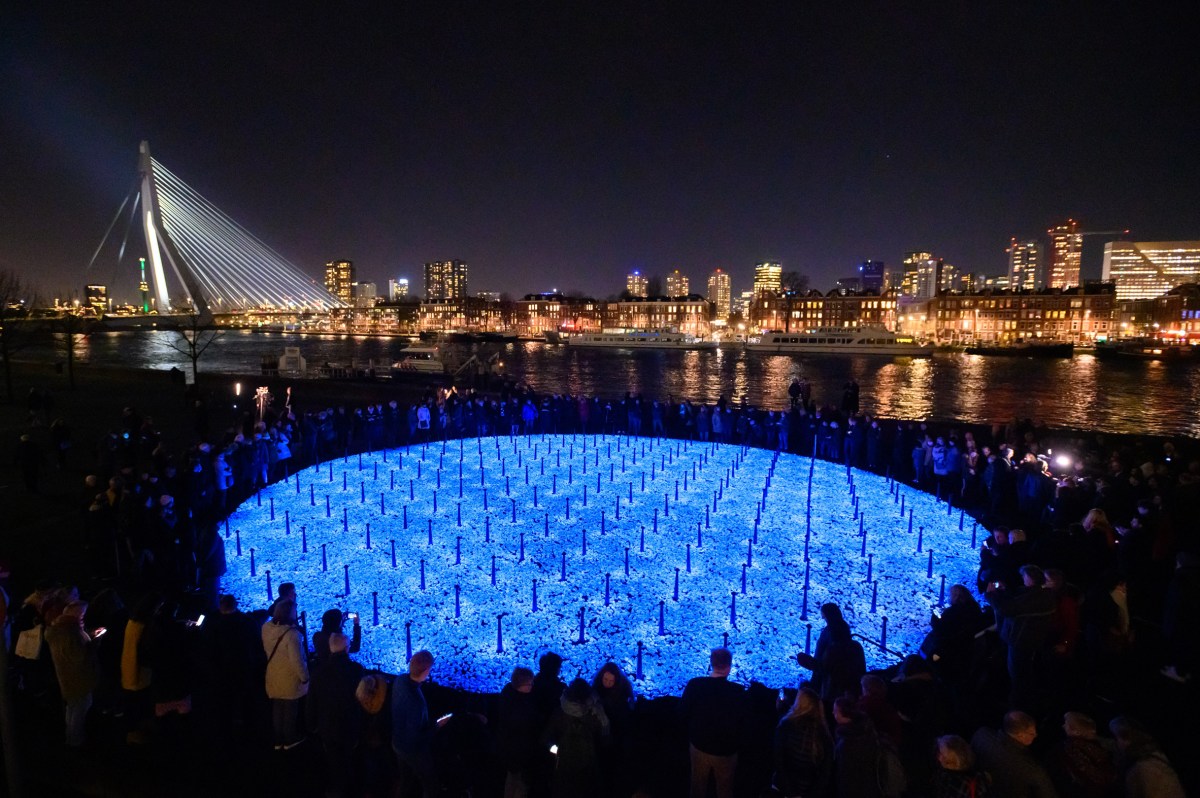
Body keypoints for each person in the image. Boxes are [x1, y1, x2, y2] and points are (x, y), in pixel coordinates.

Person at [680, 647, 747, 798]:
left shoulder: (695, 685)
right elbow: (743, 722)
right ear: (729, 668)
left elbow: (682, 713)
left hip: (699, 746)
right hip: (726, 751)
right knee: (725, 789)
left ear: (711, 664)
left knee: (697, 787)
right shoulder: (738, 691)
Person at [308, 632, 364, 798]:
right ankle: (348, 788)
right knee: (349, 758)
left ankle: (334, 788)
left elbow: (312, 702)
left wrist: (311, 725)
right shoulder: (356, 670)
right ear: (347, 649)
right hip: (350, 724)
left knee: (333, 759)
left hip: (327, 726)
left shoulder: (318, 672)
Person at [44, 599, 101, 747]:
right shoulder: (69, 632)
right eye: (82, 615)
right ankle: (75, 741)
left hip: (68, 677)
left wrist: (89, 634)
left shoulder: (61, 629)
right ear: (76, 615)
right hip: (77, 678)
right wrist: (94, 642)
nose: (83, 618)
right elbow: (79, 655)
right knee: (80, 709)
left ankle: (70, 737)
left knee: (73, 708)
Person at [541, 677, 610, 798]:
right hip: (589, 765)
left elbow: (546, 739)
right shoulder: (596, 713)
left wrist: (558, 751)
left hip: (564, 764)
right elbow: (605, 741)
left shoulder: (560, 712)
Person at [970, 710, 1057, 798]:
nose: (1036, 735)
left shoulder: (981, 735)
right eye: (1031, 733)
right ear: (1020, 735)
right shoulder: (1032, 770)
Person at [392, 649, 441, 797]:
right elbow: (417, 738)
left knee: (405, 781)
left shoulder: (400, 680)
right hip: (412, 751)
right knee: (430, 783)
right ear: (426, 671)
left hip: (397, 742)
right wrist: (437, 725)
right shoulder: (416, 703)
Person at [262, 598, 309, 750]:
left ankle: (278, 740)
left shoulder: (266, 628)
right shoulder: (293, 635)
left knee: (277, 706)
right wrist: (305, 677)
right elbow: (297, 660)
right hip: (289, 676)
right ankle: (289, 740)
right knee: (290, 708)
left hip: (273, 672)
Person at [797, 603, 865, 704]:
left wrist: (806, 661)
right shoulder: (857, 646)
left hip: (832, 692)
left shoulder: (832, 647)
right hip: (852, 691)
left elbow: (824, 667)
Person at [772, 686, 833, 798]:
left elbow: (779, 760)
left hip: (784, 789)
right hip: (809, 790)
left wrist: (790, 791)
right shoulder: (824, 733)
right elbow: (825, 772)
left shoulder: (786, 725)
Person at [1109, 716, 1186, 798]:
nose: (1120, 743)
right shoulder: (1145, 762)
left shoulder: (1147, 767)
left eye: (1125, 736)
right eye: (1117, 737)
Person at [1049, 712, 1117, 798]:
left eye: (1066, 724)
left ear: (1076, 731)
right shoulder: (1101, 746)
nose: (1063, 726)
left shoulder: (1069, 748)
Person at [496, 666, 539, 798]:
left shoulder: (508, 692)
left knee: (512, 778)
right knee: (519, 781)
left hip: (510, 749)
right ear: (520, 685)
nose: (532, 686)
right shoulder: (519, 705)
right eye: (529, 684)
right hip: (517, 750)